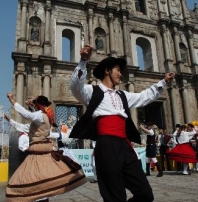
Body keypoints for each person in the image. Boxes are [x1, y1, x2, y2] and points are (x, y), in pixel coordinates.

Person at [70, 44, 175, 202]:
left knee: (145, 193)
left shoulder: (123, 95)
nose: (120, 74)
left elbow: (143, 97)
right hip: (106, 144)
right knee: (115, 196)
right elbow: (76, 88)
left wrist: (163, 82)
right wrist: (83, 61)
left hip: (125, 145)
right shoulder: (93, 92)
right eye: (118, 70)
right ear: (107, 71)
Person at [6, 93, 87, 202]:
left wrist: (13, 101)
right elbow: (30, 120)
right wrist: (31, 107)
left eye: (35, 104)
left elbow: (27, 115)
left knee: (28, 181)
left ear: (38, 105)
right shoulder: (45, 117)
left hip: (38, 156)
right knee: (43, 183)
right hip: (41, 154)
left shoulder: (40, 116)